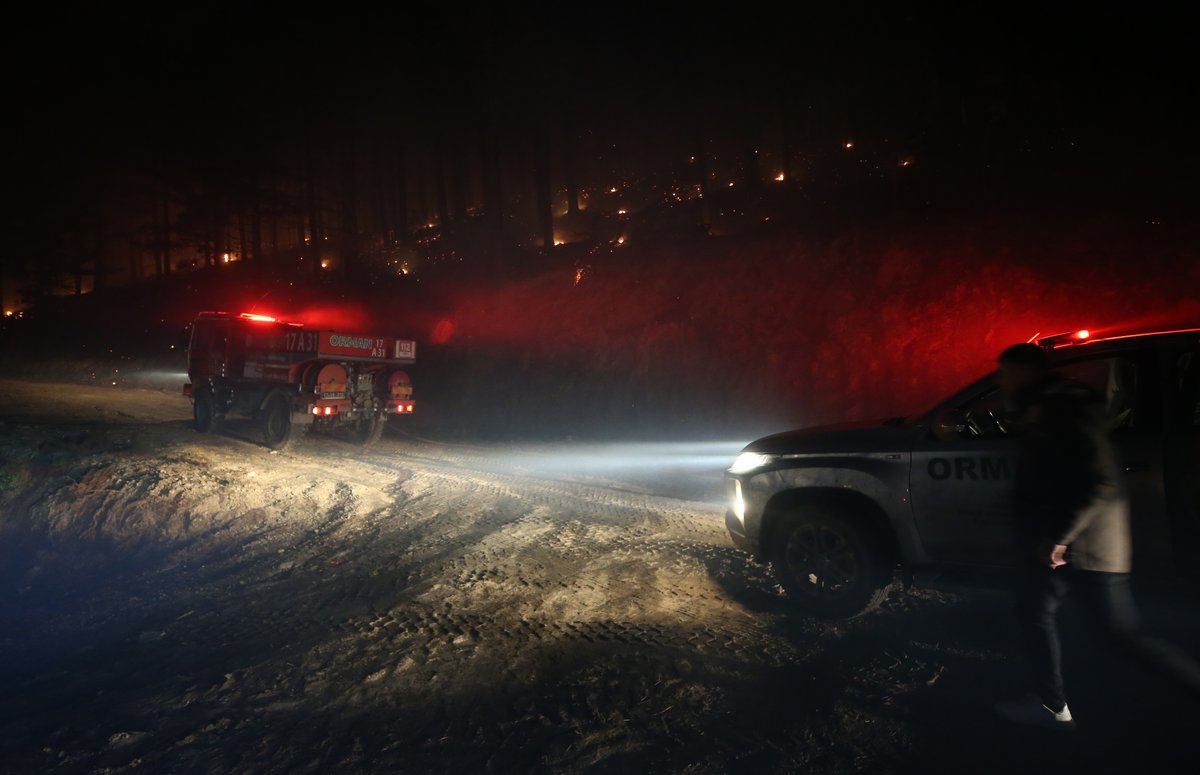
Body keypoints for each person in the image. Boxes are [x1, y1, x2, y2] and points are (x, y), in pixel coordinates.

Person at [992, 343, 1200, 730]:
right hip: (1067, 547)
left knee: (1122, 636)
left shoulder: (1062, 410)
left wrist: (1059, 536)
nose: (1000, 379)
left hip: (1081, 548)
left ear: (1025, 372)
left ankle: (1053, 707)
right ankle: (1051, 706)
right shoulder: (1050, 405)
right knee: (1034, 611)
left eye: (1004, 371)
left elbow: (1098, 483)